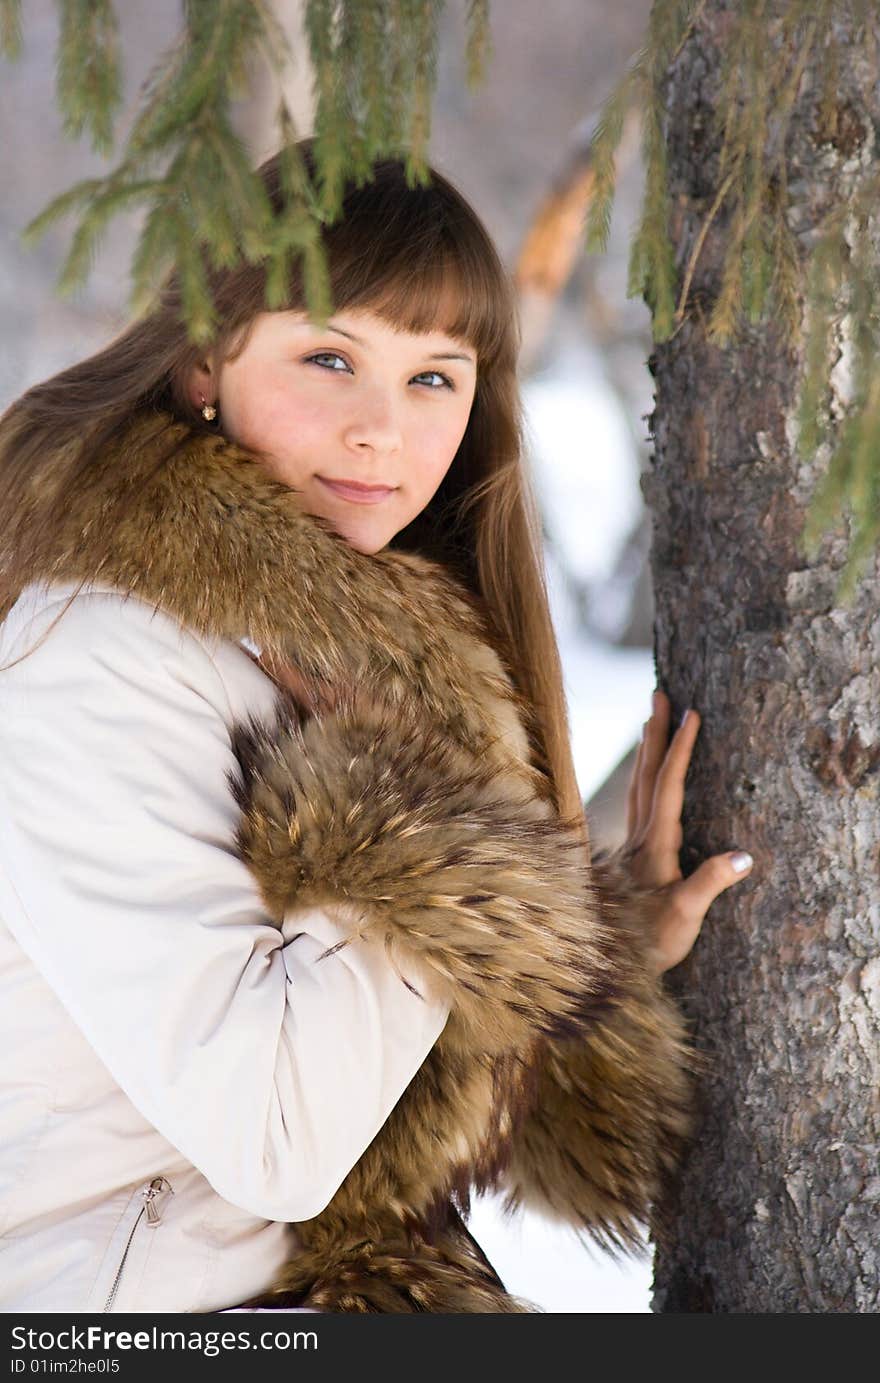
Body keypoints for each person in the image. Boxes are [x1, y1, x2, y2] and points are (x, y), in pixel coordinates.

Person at [0, 136, 754, 1315]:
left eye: (432, 378)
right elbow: (280, 1136)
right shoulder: (96, 657)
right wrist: (442, 846)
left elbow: (358, 1051)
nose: (380, 431)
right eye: (327, 358)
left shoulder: (329, 646)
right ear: (205, 362)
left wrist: (578, 949)